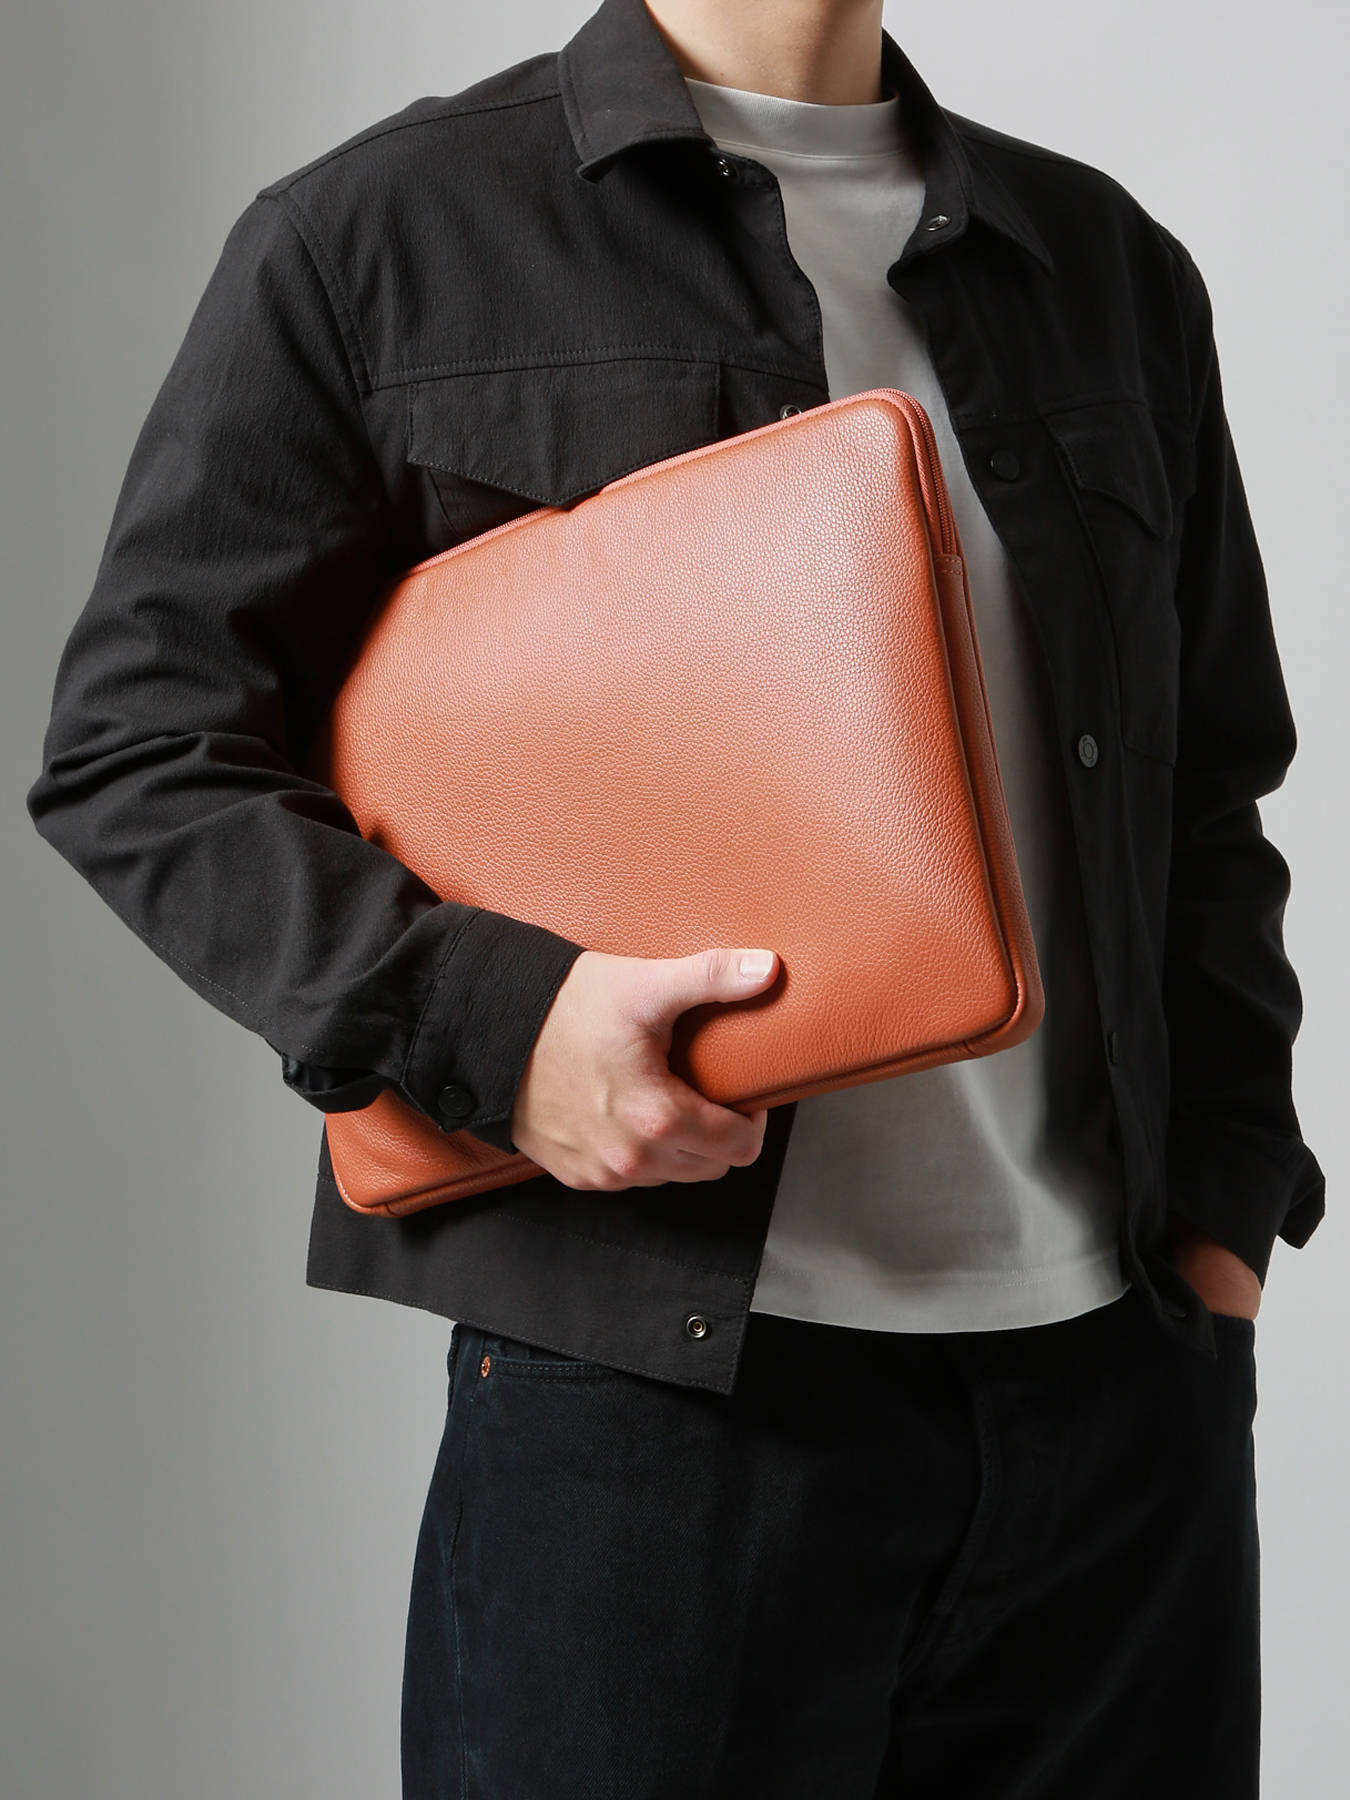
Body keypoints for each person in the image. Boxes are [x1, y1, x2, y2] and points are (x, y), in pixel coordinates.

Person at [26, 0, 1326, 1792]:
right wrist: (501, 1029)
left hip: (1114, 1416)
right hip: (651, 1426)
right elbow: (138, 748)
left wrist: (1218, 1244)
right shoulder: (378, 234)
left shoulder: (1101, 261)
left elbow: (1206, 786)